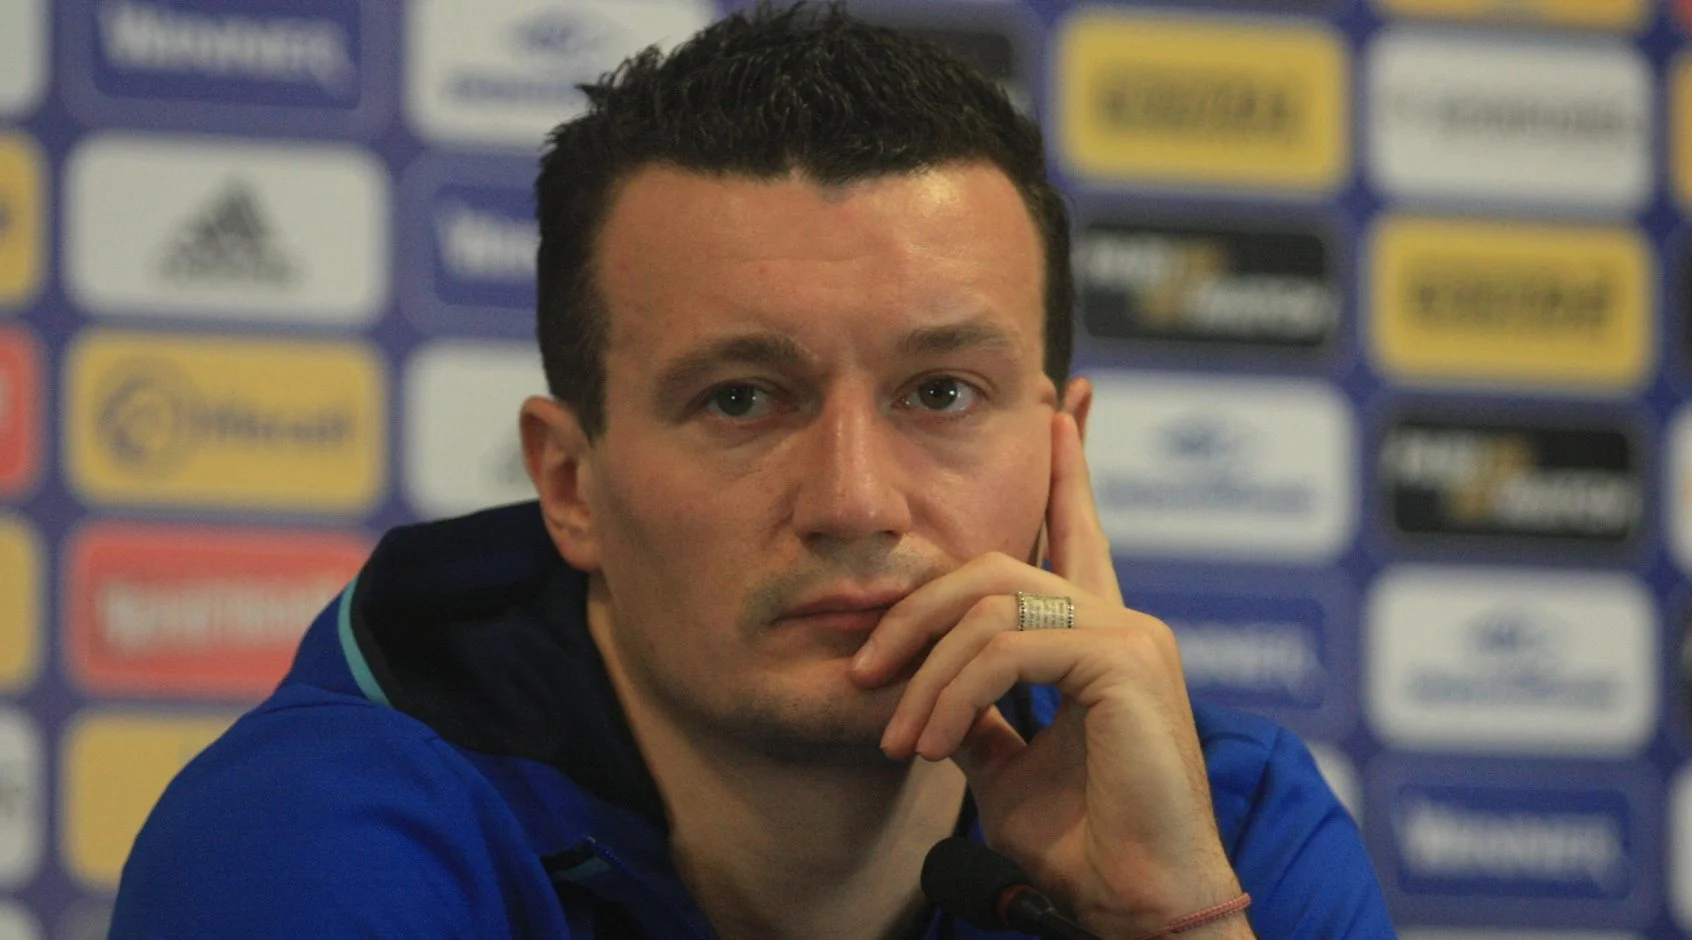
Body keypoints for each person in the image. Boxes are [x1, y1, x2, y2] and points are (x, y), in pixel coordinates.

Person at [109, 5, 1394, 938]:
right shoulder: (313, 838)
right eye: (741, 399)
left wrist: (1173, 919)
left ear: (1067, 453)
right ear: (570, 485)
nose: (855, 501)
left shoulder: (1227, 823)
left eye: (941, 393)